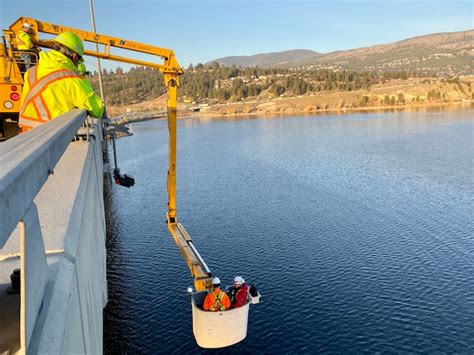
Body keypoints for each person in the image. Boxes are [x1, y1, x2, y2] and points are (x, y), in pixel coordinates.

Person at [19, 32, 104, 133]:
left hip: (26, 133)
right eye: (79, 60)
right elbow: (97, 110)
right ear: (74, 56)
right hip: (50, 136)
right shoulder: (71, 78)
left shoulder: (31, 71)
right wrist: (85, 83)